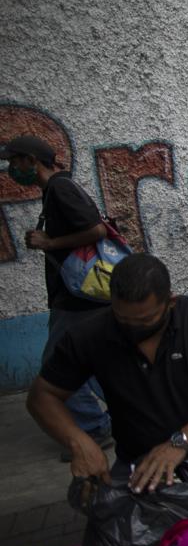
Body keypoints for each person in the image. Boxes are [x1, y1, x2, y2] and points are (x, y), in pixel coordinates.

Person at [26, 253, 188, 502]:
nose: (134, 329)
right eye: (123, 319)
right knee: (127, 528)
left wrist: (180, 442)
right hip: (141, 453)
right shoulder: (90, 335)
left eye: (146, 320)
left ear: (170, 302)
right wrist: (79, 441)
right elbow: (42, 397)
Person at [2, 136, 111, 461]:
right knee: (93, 365)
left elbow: (97, 231)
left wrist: (50, 242)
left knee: (57, 367)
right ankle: (136, 410)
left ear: (31, 161)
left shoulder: (61, 189)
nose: (12, 169)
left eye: (15, 161)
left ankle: (93, 427)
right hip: (77, 297)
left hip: (77, 300)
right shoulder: (56, 190)